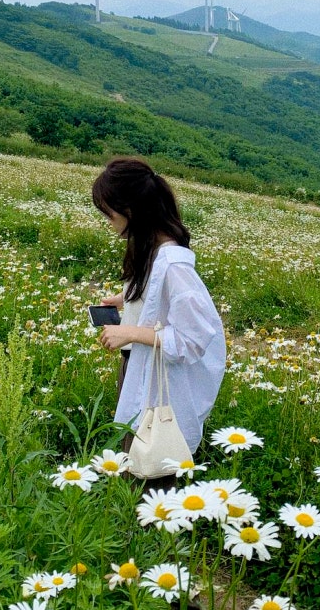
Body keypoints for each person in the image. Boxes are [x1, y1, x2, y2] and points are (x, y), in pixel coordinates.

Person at [91, 157, 226, 474]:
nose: (109, 223)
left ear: (130, 211)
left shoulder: (174, 265)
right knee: (134, 453)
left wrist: (130, 333)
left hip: (158, 382)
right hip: (138, 366)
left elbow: (193, 339)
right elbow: (158, 295)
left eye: (109, 214)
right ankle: (138, 518)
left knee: (152, 462)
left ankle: (153, 520)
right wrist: (125, 299)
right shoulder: (152, 249)